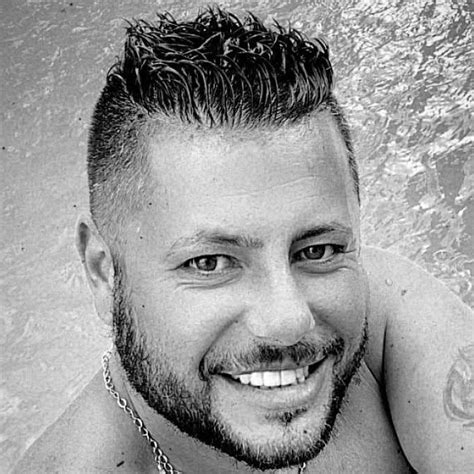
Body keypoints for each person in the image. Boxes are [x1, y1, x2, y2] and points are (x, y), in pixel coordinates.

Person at [15, 8, 473, 474]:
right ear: (103, 272)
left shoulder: (392, 319)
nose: (289, 321)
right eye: (210, 262)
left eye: (316, 251)